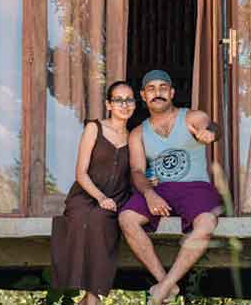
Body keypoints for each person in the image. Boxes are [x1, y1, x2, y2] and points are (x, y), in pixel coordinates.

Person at [118, 70, 223, 305]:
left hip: (195, 188)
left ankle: (163, 287)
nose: (158, 93)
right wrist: (149, 193)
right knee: (126, 218)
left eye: (163, 88)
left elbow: (210, 126)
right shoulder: (138, 133)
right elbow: (136, 171)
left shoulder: (190, 117)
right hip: (160, 191)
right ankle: (167, 283)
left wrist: (210, 133)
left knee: (207, 223)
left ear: (172, 92)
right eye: (151, 89)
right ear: (143, 96)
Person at [51, 80, 137, 304]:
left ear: (135, 105)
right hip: (86, 195)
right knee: (81, 218)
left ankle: (91, 298)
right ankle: (92, 298)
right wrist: (100, 197)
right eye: (118, 100)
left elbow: (136, 172)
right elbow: (80, 172)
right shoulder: (94, 128)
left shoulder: (135, 137)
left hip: (117, 198)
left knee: (101, 220)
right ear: (109, 104)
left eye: (129, 100)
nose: (124, 104)